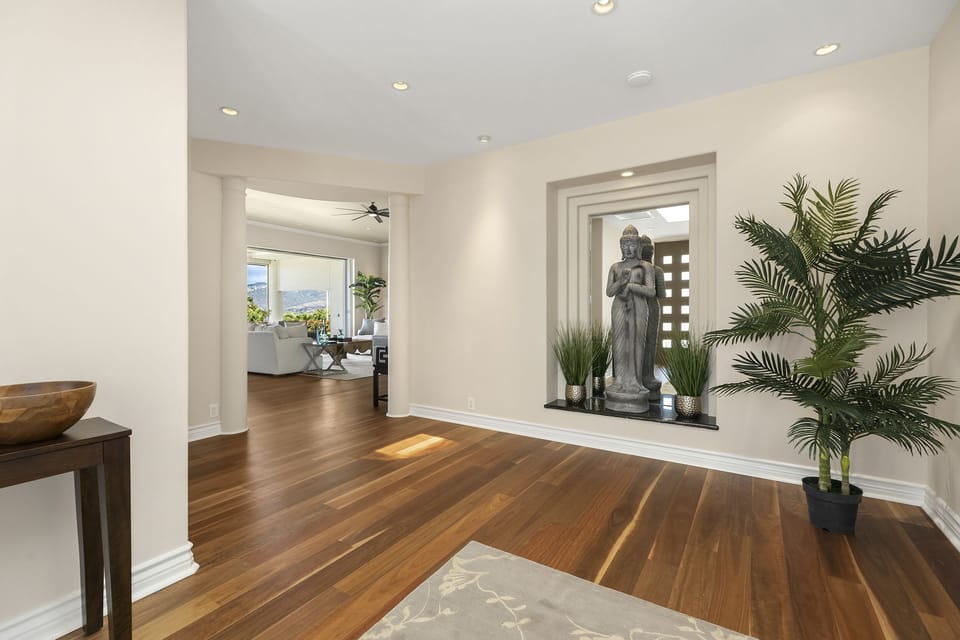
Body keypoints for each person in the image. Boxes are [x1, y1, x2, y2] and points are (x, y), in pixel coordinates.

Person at [605, 225, 655, 411]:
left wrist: (632, 286)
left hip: (639, 306)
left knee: (636, 342)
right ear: (621, 248)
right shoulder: (615, 267)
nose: (628, 249)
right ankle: (619, 381)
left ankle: (635, 381)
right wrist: (621, 282)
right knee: (618, 343)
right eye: (624, 245)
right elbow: (609, 292)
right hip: (619, 305)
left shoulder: (645, 267)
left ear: (638, 246)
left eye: (632, 244)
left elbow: (651, 291)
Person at [639, 236, 665, 401]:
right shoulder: (657, 270)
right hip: (648, 306)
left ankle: (646, 376)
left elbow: (660, 293)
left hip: (647, 306)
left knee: (648, 343)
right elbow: (661, 293)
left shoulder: (639, 269)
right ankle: (644, 376)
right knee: (645, 343)